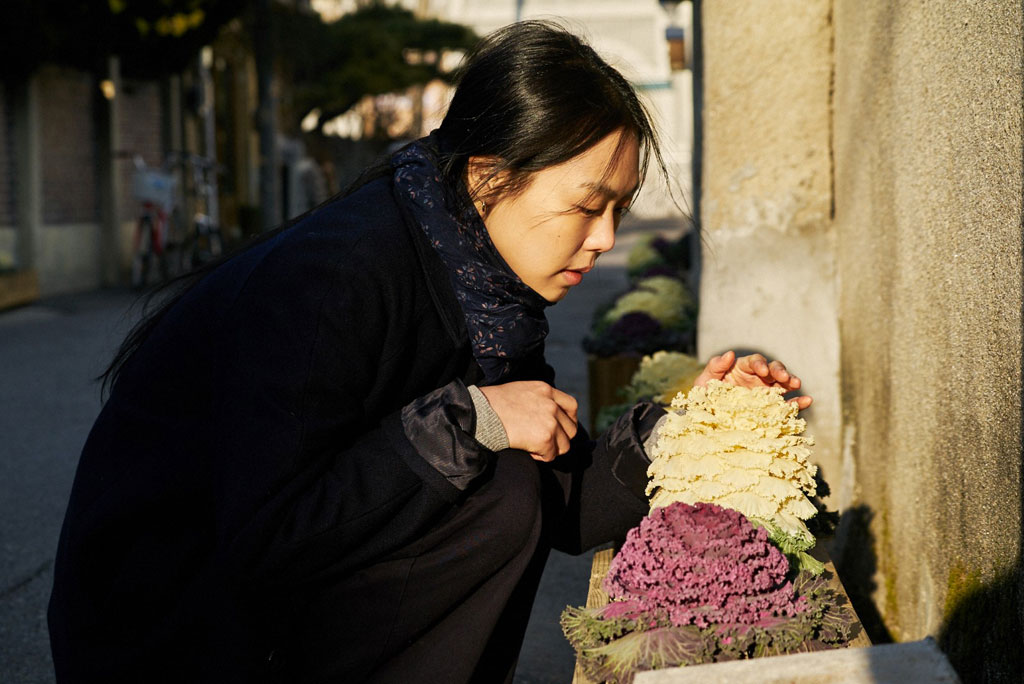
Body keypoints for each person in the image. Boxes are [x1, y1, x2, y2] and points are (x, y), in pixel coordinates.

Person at [48, 21, 810, 684]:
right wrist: (469, 420)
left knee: (509, 478)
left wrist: (690, 430)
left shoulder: (487, 293)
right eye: (586, 207)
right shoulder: (333, 282)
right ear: (488, 176)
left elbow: (562, 505)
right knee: (496, 480)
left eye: (618, 209)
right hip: (166, 633)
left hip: (266, 611)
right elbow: (266, 540)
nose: (606, 238)